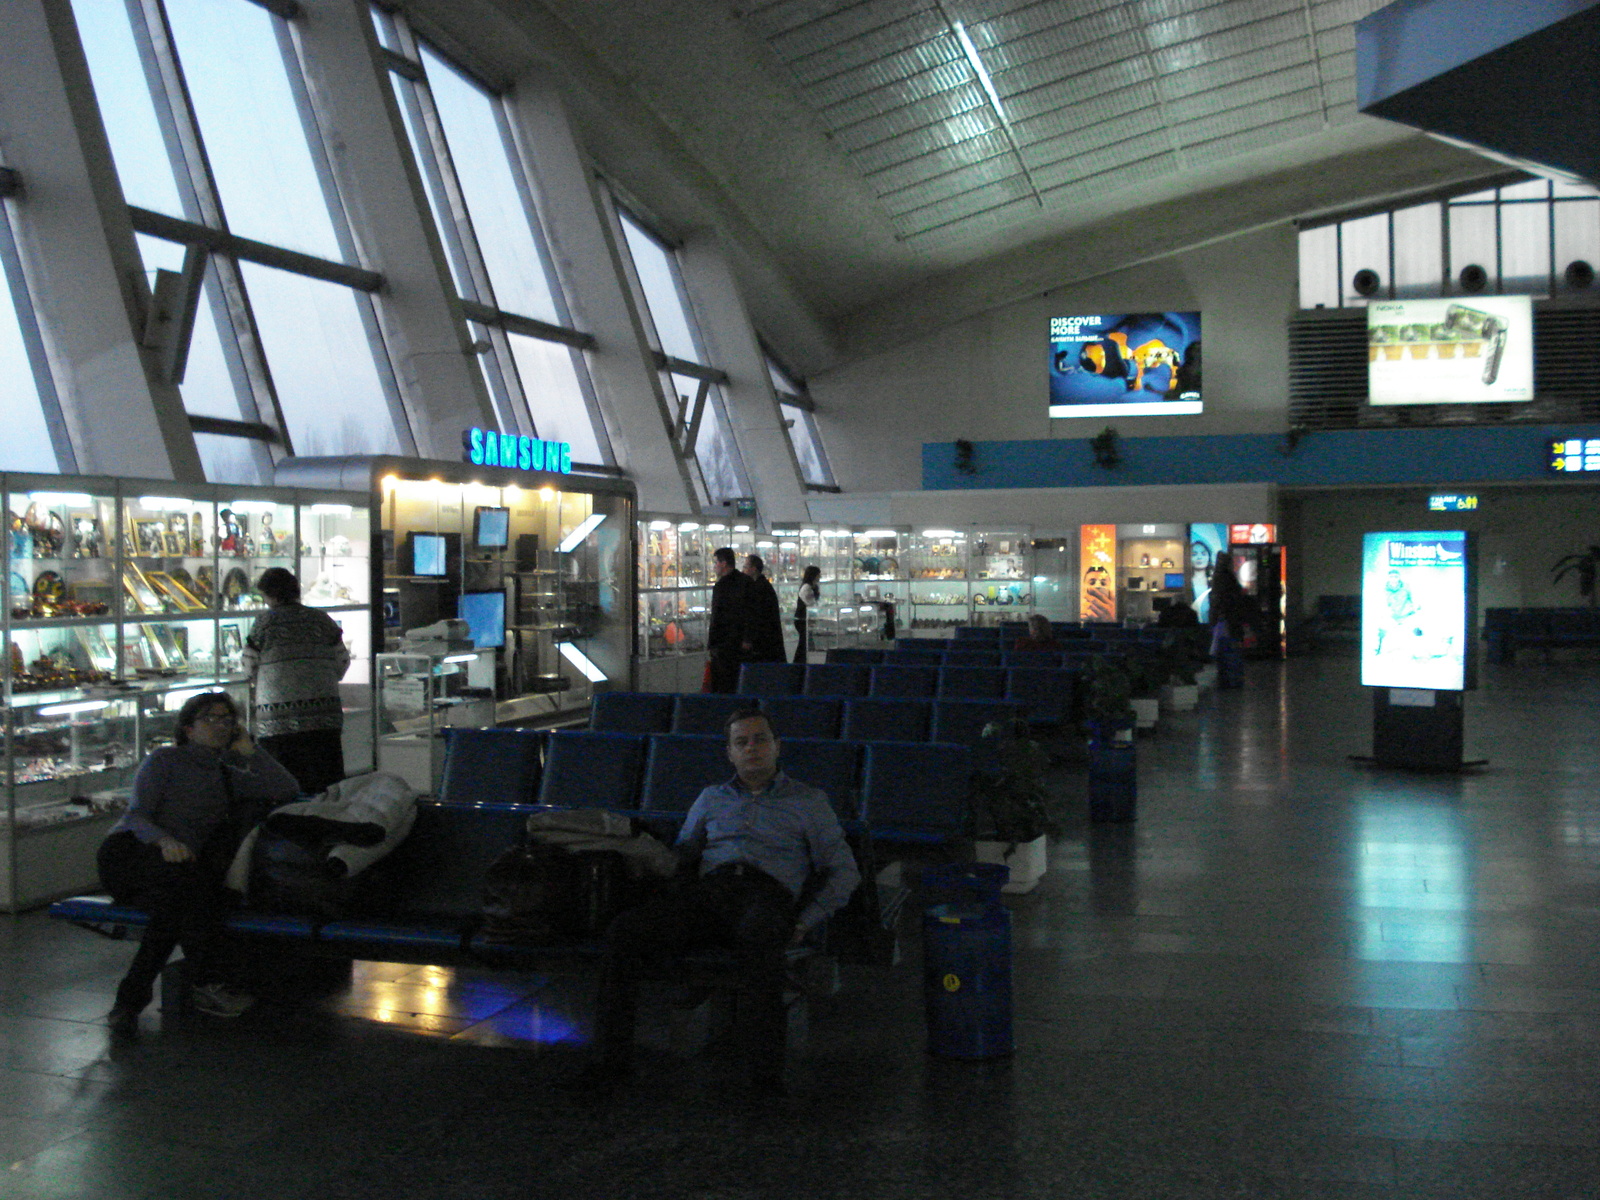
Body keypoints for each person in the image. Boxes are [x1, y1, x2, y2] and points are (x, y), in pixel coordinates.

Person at [577, 708, 861, 1095]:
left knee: (762, 941)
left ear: (778, 747)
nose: (752, 749)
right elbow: (682, 854)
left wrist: (806, 921)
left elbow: (845, 871)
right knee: (624, 932)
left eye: (760, 740)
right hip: (711, 893)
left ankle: (764, 1079)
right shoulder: (711, 798)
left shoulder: (808, 802)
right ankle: (610, 1063)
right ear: (729, 753)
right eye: (741, 742)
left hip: (767, 895)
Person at [98, 691, 300, 1032]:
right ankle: (206, 984)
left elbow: (287, 787)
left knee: (177, 905)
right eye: (210, 719)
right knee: (190, 892)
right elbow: (136, 816)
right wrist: (165, 841)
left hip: (178, 873)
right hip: (132, 854)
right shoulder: (164, 761)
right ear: (188, 729)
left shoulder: (228, 773)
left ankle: (130, 1001)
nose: (220, 726)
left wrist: (252, 751)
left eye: (227, 720)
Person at [243, 567, 351, 794]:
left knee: (284, 785)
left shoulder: (264, 624)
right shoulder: (321, 620)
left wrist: (259, 684)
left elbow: (248, 666)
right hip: (324, 716)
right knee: (325, 784)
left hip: (277, 719)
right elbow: (342, 660)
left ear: (270, 595)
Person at [706, 546, 753, 692]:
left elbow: (716, 617)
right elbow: (751, 613)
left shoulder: (721, 586)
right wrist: (747, 639)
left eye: (716, 563)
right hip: (740, 644)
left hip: (724, 644)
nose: (714, 567)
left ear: (724, 563)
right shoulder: (746, 582)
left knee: (722, 684)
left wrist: (711, 643)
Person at [742, 553, 787, 663]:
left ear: (753, 569)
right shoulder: (762, 586)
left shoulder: (758, 589)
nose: (743, 570)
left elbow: (755, 616)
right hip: (767, 642)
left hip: (762, 643)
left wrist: (748, 639)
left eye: (745, 567)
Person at [792, 565, 820, 664]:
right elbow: (811, 604)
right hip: (802, 619)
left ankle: (801, 661)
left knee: (805, 642)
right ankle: (799, 662)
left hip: (805, 618)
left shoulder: (813, 586)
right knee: (804, 642)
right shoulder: (806, 588)